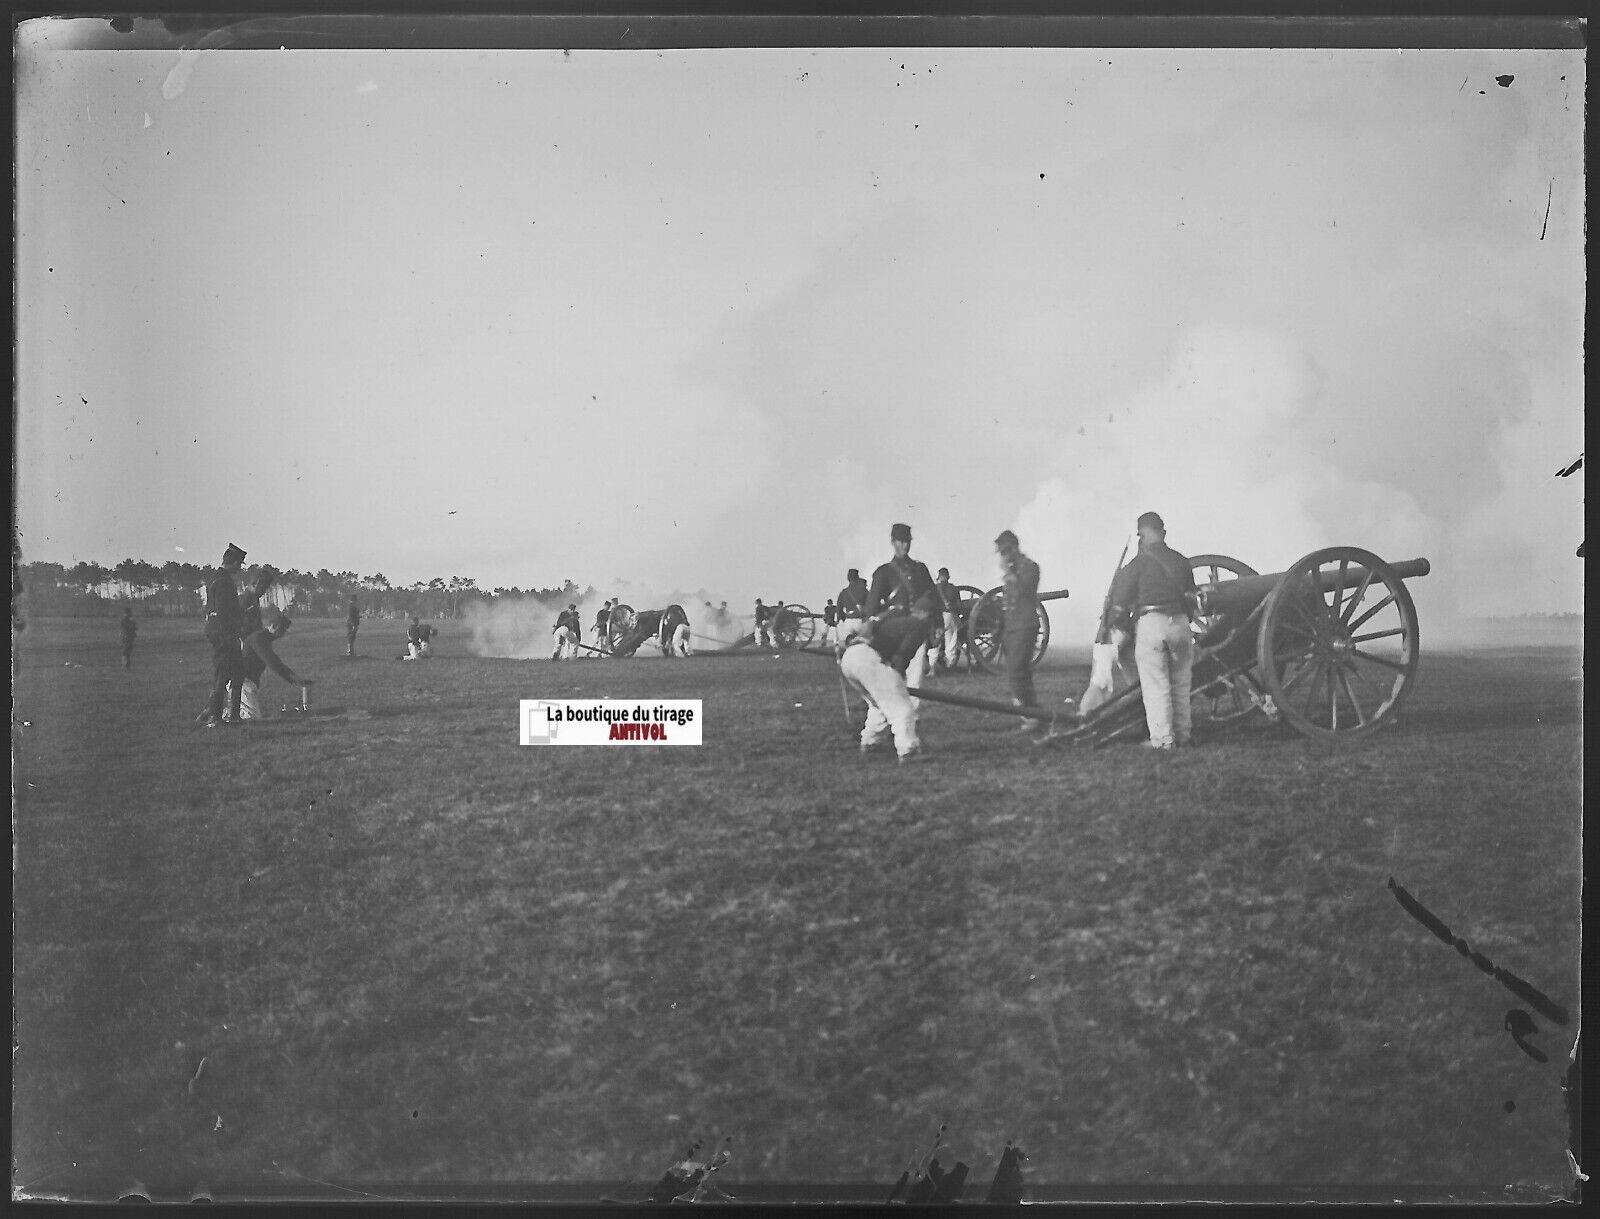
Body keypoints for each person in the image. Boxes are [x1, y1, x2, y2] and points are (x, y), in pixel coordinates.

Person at [1108, 511, 1198, 750]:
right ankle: (1184, 735)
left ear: (1142, 534)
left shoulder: (1137, 565)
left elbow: (1118, 610)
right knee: (1180, 684)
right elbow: (1192, 598)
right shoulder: (1181, 561)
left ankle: (1163, 739)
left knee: (1156, 686)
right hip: (1180, 624)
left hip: (1151, 624)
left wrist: (1123, 629)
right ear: (1163, 533)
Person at [200, 543, 271, 726]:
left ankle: (234, 716)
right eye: (238, 564)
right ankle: (215, 718)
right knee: (222, 675)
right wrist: (233, 632)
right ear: (230, 562)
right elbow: (224, 612)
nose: (239, 568)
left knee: (238, 673)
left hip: (225, 633)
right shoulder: (223, 582)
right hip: (225, 634)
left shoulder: (218, 578)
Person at [838, 615, 925, 762]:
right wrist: (898, 678)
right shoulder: (919, 625)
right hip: (868, 658)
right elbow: (901, 657)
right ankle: (908, 750)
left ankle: (871, 742)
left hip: (850, 657)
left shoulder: (889, 618)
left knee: (878, 704)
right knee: (901, 708)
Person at [864, 523, 939, 689]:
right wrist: (871, 627)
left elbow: (934, 597)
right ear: (893, 542)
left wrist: (937, 624)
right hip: (892, 631)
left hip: (917, 631)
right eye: (901, 541)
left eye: (907, 541)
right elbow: (872, 605)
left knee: (914, 680)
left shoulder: (920, 569)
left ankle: (911, 714)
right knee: (887, 677)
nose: (905, 545)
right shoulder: (883, 572)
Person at [993, 530, 1044, 734]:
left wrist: (1009, 572)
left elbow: (1025, 591)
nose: (1002, 556)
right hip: (1012, 627)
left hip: (1025, 625)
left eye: (1004, 551)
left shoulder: (1030, 567)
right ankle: (1035, 714)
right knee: (1019, 673)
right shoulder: (1014, 569)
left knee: (1016, 672)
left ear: (1014, 548)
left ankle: (1032, 716)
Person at [238, 606, 313, 720]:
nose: (283, 634)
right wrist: (293, 679)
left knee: (250, 714)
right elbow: (273, 663)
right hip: (243, 682)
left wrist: (293, 677)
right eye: (282, 630)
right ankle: (225, 714)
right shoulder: (259, 639)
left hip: (248, 682)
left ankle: (228, 712)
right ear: (273, 626)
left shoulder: (263, 638)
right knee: (252, 718)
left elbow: (275, 661)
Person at [932, 568, 963, 673]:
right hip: (949, 615)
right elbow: (959, 606)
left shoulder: (935, 588)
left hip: (937, 617)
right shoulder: (953, 588)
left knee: (935, 640)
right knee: (951, 639)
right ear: (948, 577)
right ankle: (949, 664)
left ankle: (932, 665)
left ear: (939, 577)